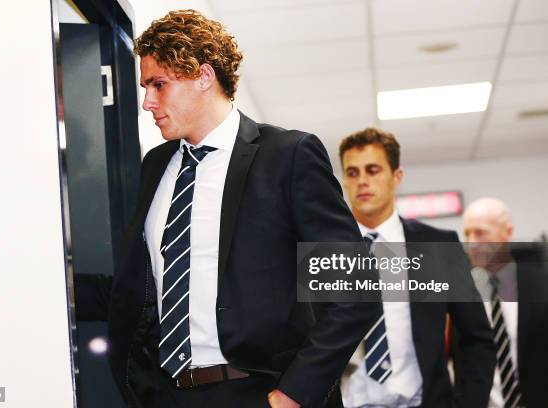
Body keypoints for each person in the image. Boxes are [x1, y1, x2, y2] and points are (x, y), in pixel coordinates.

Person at [78, 9, 380, 408]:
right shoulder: (156, 166)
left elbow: (354, 289)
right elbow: (140, 285)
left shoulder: (287, 156)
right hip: (169, 394)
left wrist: (292, 396)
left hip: (258, 392)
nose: (148, 102)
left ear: (204, 76)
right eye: (145, 87)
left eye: (159, 85)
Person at [330, 128, 495, 408]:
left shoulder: (437, 246)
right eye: (352, 172)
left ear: (397, 177)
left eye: (373, 170)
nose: (362, 181)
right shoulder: (323, 249)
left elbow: (476, 337)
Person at [463, 198, 548, 408]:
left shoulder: (540, 285)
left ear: (507, 233)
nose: (472, 242)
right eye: (467, 234)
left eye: (480, 233)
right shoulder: (462, 292)